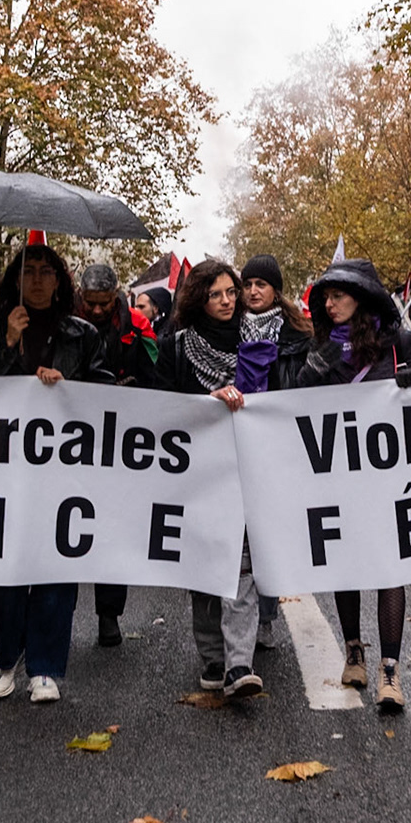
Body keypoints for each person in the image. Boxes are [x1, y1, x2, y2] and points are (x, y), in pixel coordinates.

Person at [0, 241, 112, 703]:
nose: (36, 279)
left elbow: (104, 391)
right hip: (9, 467)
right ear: (16, 280)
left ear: (59, 282)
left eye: (45, 272)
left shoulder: (81, 333)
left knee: (56, 562)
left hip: (62, 469)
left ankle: (46, 666)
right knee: (10, 562)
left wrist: (66, 389)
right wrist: (8, 346)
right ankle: (6, 657)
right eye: (28, 271)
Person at [298, 257, 411, 713]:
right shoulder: (320, 347)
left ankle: (389, 670)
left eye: (338, 295)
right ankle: (353, 648)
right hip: (337, 473)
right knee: (347, 563)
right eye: (325, 298)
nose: (330, 304)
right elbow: (293, 405)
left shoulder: (401, 343)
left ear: (363, 297)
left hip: (390, 475)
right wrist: (313, 369)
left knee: (390, 567)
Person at [155, 259, 267, 699]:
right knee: (203, 565)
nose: (226, 301)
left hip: (245, 468)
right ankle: (213, 658)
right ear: (199, 297)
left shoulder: (257, 343)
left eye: (231, 292)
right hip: (195, 471)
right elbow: (161, 404)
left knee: (242, 563)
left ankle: (240, 664)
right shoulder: (176, 346)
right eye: (216, 293)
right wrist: (207, 402)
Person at [78, 260, 157, 646]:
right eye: (89, 302)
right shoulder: (66, 323)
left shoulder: (139, 328)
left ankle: (109, 613)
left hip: (120, 440)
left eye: (102, 303)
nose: (95, 310)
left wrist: (135, 385)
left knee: (113, 525)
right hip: (72, 438)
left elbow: (157, 378)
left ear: (116, 297)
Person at [236, 254, 313, 649]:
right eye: (246, 284)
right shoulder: (224, 330)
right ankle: (239, 621)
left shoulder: (298, 338)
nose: (252, 291)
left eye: (260, 285)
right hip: (233, 446)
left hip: (277, 449)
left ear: (275, 291)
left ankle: (264, 617)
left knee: (266, 536)